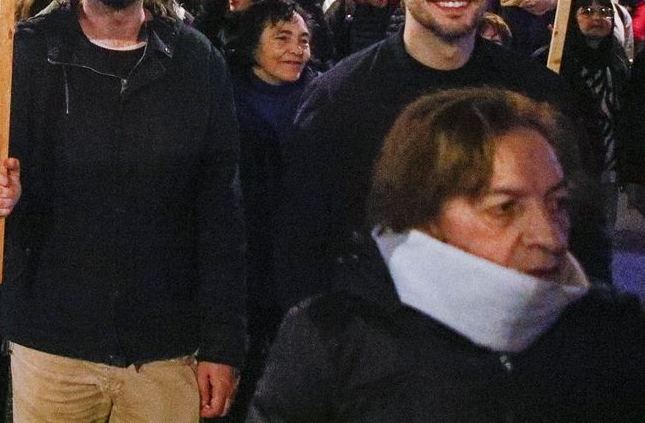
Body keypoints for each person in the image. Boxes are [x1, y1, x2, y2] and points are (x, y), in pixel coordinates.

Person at [0, 0, 246, 422]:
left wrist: (224, 344)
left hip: (166, 349)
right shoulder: (27, 51)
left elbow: (221, 209)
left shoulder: (198, 63)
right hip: (52, 345)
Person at [275, 0, 603, 314]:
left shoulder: (541, 97)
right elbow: (302, 251)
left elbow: (584, 238)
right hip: (381, 340)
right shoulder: (338, 100)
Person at [250, 88, 645, 422]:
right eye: (505, 208)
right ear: (424, 217)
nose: (550, 236)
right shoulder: (335, 341)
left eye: (557, 203)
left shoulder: (612, 331)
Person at [226, 0, 318, 420]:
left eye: (304, 40)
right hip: (244, 256)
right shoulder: (225, 95)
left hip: (300, 258)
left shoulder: (324, 97)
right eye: (282, 38)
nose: (297, 50)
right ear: (252, 43)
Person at [536, 0, 630, 227]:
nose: (597, 17)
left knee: (604, 229)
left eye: (604, 11)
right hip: (568, 166)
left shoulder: (616, 61)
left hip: (608, 165)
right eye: (587, 11)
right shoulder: (552, 59)